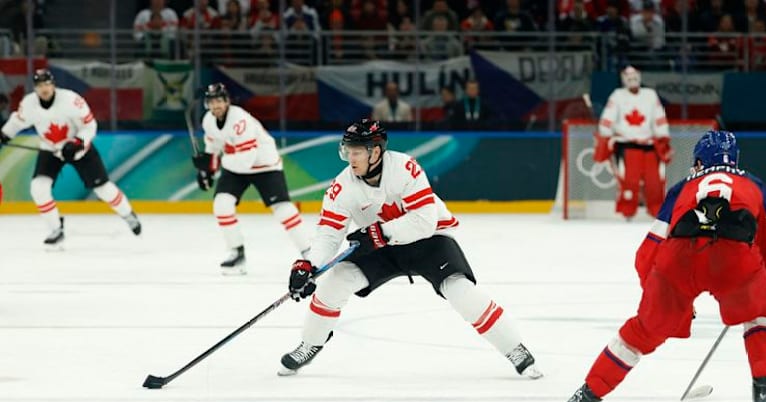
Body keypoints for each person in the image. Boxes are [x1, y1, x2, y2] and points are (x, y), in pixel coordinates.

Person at [557, 131, 766, 402]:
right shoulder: (757, 186)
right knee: (761, 317)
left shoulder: (682, 188)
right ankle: (764, 390)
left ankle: (586, 396)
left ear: (698, 161)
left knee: (641, 331)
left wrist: (661, 295)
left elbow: (647, 253)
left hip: (678, 259)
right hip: (736, 260)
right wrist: (759, 286)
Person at [280, 119, 543, 379]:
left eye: (357, 151)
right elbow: (328, 234)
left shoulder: (405, 168)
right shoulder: (342, 187)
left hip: (427, 241)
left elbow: (424, 221)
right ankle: (310, 343)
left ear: (376, 151)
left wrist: (380, 232)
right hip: (381, 247)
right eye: (348, 151)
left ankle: (515, 349)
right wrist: (309, 266)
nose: (351, 158)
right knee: (335, 282)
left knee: (460, 290)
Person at [0, 69, 142, 248]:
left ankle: (128, 214)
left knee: (103, 189)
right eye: (40, 85)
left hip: (79, 149)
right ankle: (56, 229)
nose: (44, 88)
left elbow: (90, 125)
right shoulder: (29, 104)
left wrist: (77, 143)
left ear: (53, 85)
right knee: (38, 188)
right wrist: (4, 135)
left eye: (47, 84)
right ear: (35, 88)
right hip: (50, 149)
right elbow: (16, 122)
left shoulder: (71, 100)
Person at [193, 83, 312, 274]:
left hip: (264, 163)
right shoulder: (208, 120)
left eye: (219, 101)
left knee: (283, 209)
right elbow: (214, 146)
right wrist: (206, 170)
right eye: (212, 102)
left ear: (227, 101)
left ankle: (309, 252)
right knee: (221, 205)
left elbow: (246, 160)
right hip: (235, 163)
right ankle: (237, 254)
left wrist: (214, 166)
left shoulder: (240, 119)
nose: (216, 106)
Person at [593, 65, 673, 219]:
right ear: (624, 80)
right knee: (629, 180)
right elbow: (607, 118)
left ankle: (657, 211)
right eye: (629, 78)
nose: (633, 81)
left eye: (635, 78)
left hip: (649, 145)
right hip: (626, 144)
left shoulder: (650, 95)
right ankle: (627, 210)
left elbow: (659, 117)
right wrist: (605, 134)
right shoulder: (617, 96)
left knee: (654, 181)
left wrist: (663, 136)